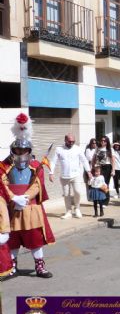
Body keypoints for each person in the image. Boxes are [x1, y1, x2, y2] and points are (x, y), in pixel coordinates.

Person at [0, 113, 55, 278]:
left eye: (24, 149)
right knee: (13, 239)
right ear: (13, 149)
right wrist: (12, 198)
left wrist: (25, 197)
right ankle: (12, 266)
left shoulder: (36, 165)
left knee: (35, 239)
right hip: (12, 208)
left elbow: (38, 184)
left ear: (29, 150)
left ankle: (40, 266)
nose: (21, 151)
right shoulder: (5, 165)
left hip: (31, 208)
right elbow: (2, 183)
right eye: (18, 149)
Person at [48, 133, 92, 219]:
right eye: (70, 141)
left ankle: (77, 208)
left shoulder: (78, 149)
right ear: (65, 140)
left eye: (73, 141)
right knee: (66, 194)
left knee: (77, 192)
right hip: (64, 176)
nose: (71, 143)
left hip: (75, 175)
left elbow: (84, 160)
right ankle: (68, 211)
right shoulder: (59, 149)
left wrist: (88, 171)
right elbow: (53, 161)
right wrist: (51, 173)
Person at [93, 136, 115, 206]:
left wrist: (113, 170)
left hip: (107, 167)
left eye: (105, 141)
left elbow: (113, 160)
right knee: (99, 183)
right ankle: (100, 200)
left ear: (107, 142)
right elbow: (94, 158)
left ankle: (105, 201)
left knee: (105, 184)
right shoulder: (97, 148)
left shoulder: (110, 149)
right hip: (99, 167)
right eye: (102, 140)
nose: (103, 142)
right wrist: (93, 166)